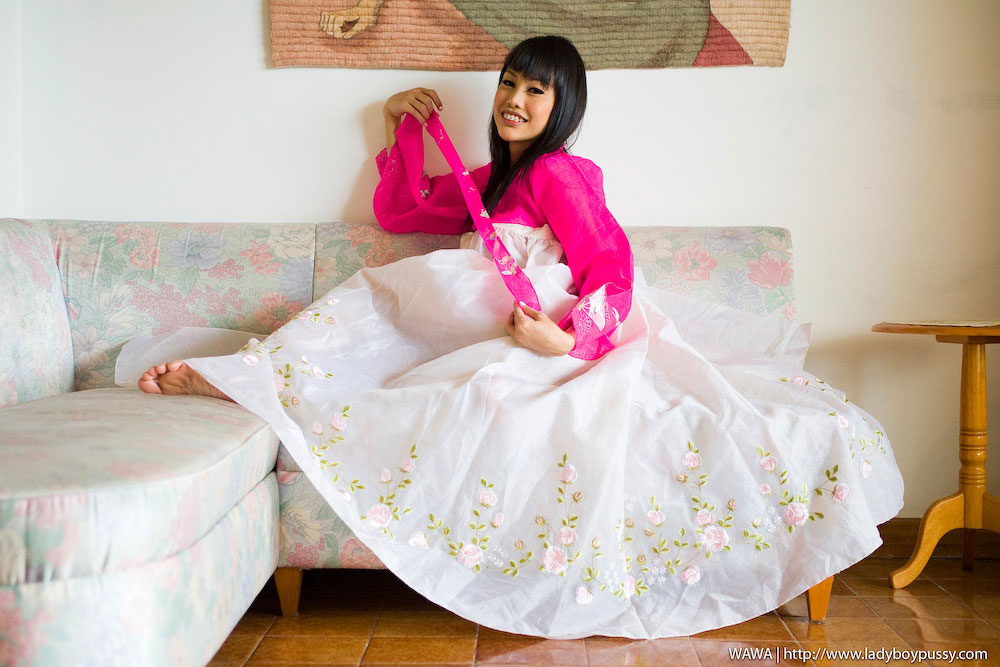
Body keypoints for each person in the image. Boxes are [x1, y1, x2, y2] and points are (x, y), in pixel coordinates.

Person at [133, 36, 903, 639]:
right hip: (503, 338)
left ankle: (254, 380)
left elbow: (613, 268)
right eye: (509, 83)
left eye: (537, 90)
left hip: (561, 348)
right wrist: (401, 125)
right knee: (380, 338)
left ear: (562, 107)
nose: (515, 99)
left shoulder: (558, 174)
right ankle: (255, 378)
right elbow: (403, 211)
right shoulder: (493, 181)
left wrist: (567, 345)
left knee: (461, 398)